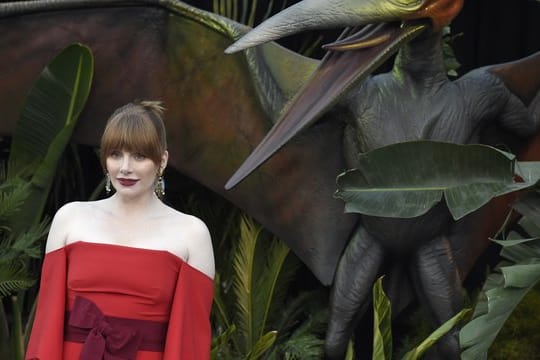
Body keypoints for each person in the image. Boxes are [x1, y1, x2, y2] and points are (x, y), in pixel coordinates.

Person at [26, 100, 215, 360]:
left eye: (139, 156)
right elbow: (46, 327)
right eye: (116, 154)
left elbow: (189, 343)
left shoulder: (192, 233)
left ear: (162, 161)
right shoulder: (70, 218)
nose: (125, 167)